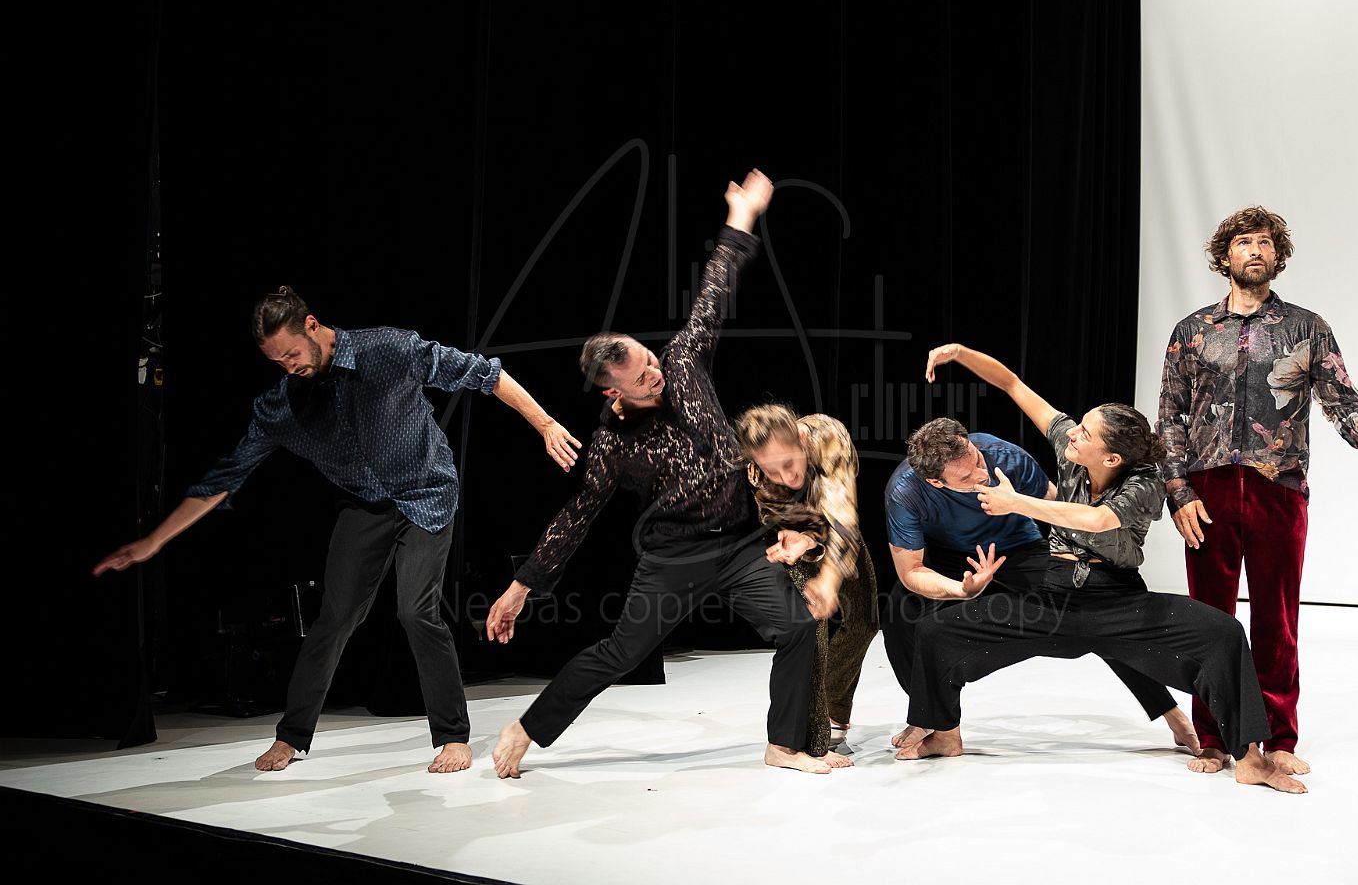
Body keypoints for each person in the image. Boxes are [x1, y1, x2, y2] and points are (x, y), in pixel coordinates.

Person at [94, 286, 580, 774]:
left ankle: (453, 735)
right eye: (276, 362)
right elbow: (223, 480)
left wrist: (545, 425)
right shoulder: (283, 407)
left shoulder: (387, 349)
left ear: (312, 326)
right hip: (364, 506)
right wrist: (154, 541)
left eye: (291, 354)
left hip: (427, 492)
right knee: (334, 619)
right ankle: (291, 736)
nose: (289, 367)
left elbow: (483, 374)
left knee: (415, 611)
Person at [486, 170, 831, 777]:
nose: (654, 374)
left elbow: (714, 289)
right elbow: (575, 518)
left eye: (649, 360)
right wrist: (521, 588)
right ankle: (527, 728)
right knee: (619, 653)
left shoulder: (683, 361)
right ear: (611, 391)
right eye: (641, 377)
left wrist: (741, 216)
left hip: (739, 544)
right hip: (674, 559)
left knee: (798, 628)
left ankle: (783, 745)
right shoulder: (611, 446)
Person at [898, 344, 1304, 792]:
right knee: (936, 631)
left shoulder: (1145, 482)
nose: (1072, 433)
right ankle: (945, 734)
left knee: (1224, 633)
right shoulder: (1071, 450)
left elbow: (1098, 520)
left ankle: (1249, 757)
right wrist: (961, 353)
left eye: (1085, 432)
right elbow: (1011, 384)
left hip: (1118, 601)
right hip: (1052, 599)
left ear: (1111, 458)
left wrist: (1016, 503)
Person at [1158, 206, 1358, 775]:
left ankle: (1278, 737)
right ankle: (1213, 736)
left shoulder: (1306, 328)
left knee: (1276, 620)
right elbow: (1170, 417)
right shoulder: (1192, 331)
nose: (1254, 250)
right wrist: (1177, 490)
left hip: (1279, 488)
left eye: (1265, 242)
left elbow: (1343, 402)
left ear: (1278, 256)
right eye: (1243, 241)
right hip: (1206, 490)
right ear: (1224, 255)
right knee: (1210, 618)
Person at [735, 404, 880, 763]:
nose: (786, 477)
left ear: (800, 438)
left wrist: (830, 577)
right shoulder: (758, 473)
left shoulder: (828, 435)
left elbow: (842, 519)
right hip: (797, 538)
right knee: (813, 628)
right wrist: (805, 542)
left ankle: (833, 708)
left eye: (789, 463)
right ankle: (813, 740)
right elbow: (786, 520)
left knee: (865, 620)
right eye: (773, 470)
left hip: (838, 527)